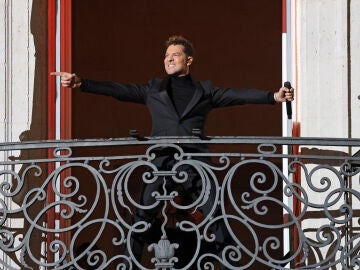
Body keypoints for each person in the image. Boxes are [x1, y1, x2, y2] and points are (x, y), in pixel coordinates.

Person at [51, 35, 294, 269]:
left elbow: (236, 95)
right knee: (143, 216)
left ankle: (232, 266)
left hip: (195, 161)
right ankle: (129, 266)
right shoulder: (153, 89)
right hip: (161, 161)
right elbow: (120, 90)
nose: (168, 59)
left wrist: (272, 96)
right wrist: (82, 83)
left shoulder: (205, 91)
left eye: (175, 55)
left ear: (188, 60)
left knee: (215, 214)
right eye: (166, 55)